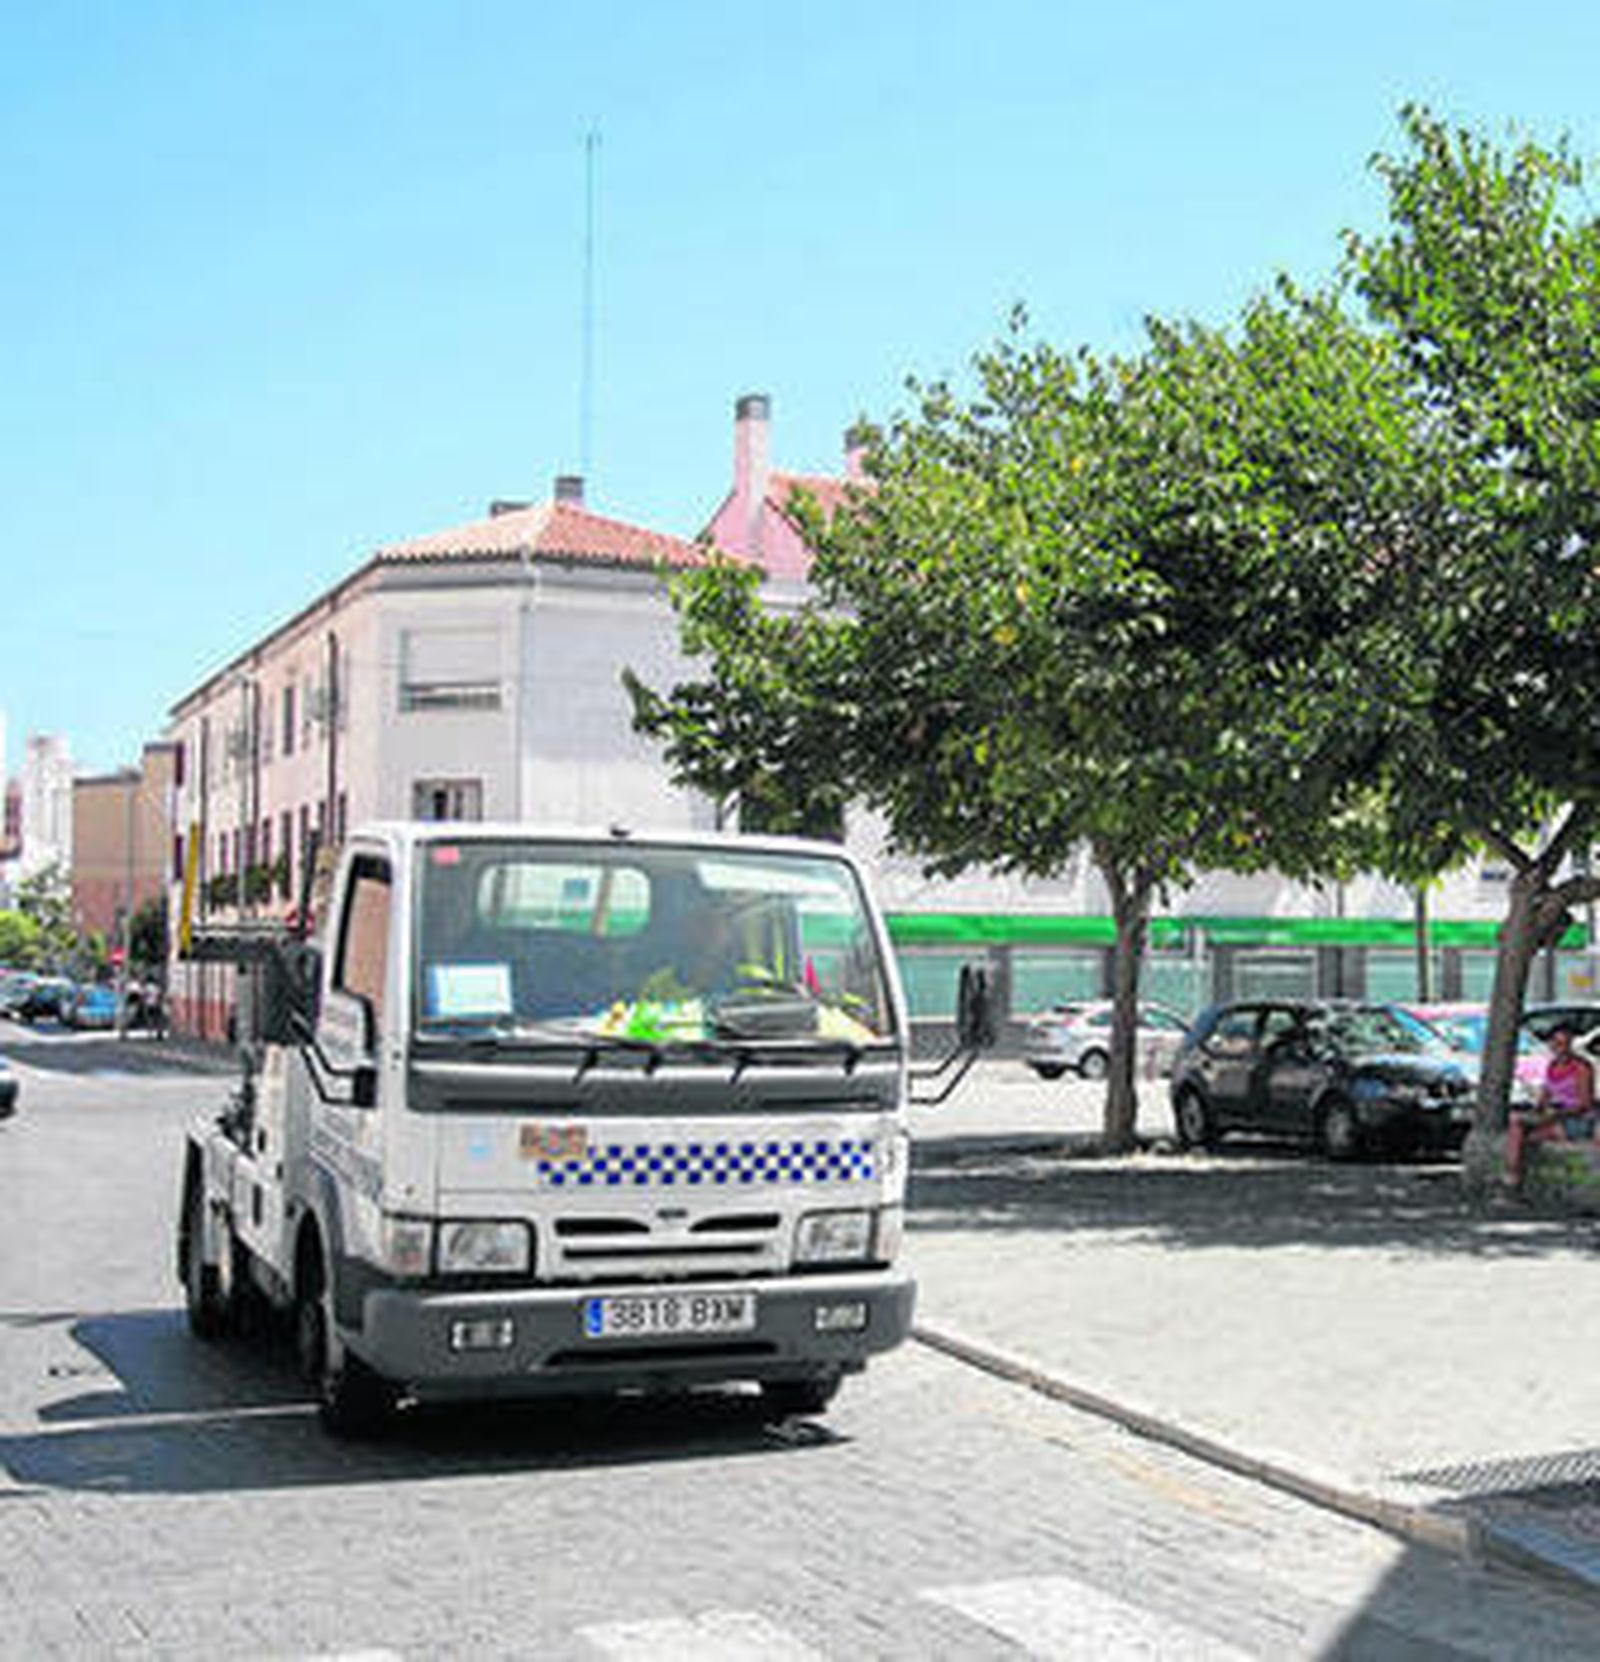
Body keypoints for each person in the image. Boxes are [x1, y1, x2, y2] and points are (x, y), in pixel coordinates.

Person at [1505, 1022, 1596, 1186]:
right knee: (1516, 1125)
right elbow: (1545, 1096)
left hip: (1575, 1119)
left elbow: (1585, 1103)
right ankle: (1512, 1174)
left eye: (1565, 1044)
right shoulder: (1551, 1067)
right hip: (1553, 1115)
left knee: (1529, 1139)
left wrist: (1558, 1113)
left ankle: (1514, 1177)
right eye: (1557, 1043)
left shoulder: (1582, 1068)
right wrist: (1538, 1109)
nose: (1560, 1048)